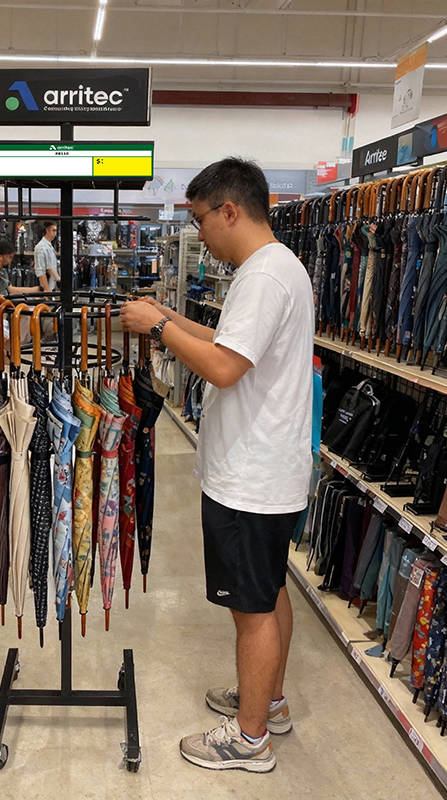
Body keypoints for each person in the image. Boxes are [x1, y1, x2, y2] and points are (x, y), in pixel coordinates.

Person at [119, 157, 313, 773]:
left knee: (250, 608)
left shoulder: (263, 276)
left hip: (251, 476)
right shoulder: (276, 268)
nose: (199, 232)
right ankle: (270, 703)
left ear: (231, 210)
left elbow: (225, 368)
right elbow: (230, 342)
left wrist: (158, 328)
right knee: (269, 590)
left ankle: (250, 738)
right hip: (267, 471)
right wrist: (170, 319)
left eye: (201, 219)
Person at [33, 219, 60, 292]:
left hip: (51, 287)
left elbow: (50, 267)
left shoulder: (49, 246)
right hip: (46, 289)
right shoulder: (41, 248)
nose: (55, 233)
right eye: (53, 230)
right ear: (47, 230)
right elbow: (41, 271)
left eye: (56, 231)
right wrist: (47, 290)